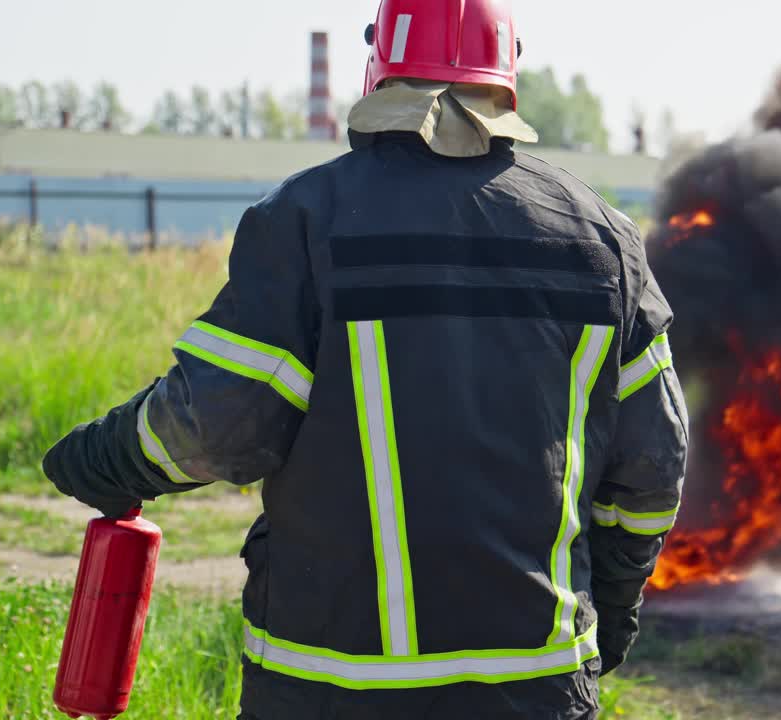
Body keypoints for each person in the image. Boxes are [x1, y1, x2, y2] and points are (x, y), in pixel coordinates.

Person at [41, 1, 688, 717]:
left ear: (380, 68)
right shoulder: (604, 239)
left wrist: (106, 455)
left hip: (328, 688)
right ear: (507, 77)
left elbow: (220, 422)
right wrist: (616, 603)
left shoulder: (306, 218)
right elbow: (653, 472)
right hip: (534, 688)